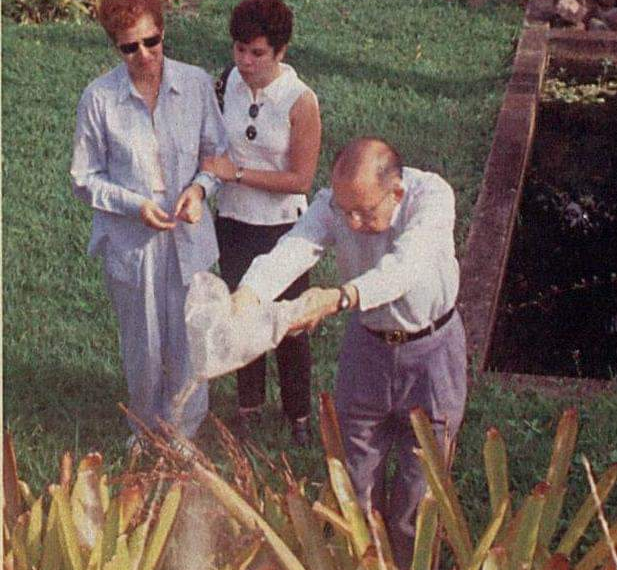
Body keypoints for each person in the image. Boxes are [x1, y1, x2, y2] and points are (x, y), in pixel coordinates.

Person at [233, 137, 467, 569]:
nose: (353, 223)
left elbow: (404, 269)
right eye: (345, 213)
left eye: (365, 212)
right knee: (355, 486)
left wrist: (339, 298)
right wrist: (247, 294)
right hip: (368, 348)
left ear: (396, 192)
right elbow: (294, 247)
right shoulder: (335, 203)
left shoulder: (432, 199)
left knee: (420, 497)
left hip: (432, 354)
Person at [70, 0, 227, 447]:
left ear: (163, 31)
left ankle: (183, 434)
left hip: (188, 235)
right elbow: (84, 177)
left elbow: (217, 154)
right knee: (143, 344)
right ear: (115, 47)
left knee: (188, 340)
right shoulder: (99, 98)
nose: (143, 54)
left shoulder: (196, 85)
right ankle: (144, 429)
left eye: (150, 41)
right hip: (132, 241)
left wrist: (200, 190)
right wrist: (134, 205)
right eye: (129, 47)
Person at [201, 0, 321, 446]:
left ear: (280, 51)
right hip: (233, 221)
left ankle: (298, 414)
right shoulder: (226, 83)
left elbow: (301, 180)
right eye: (239, 49)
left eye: (257, 53)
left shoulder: (300, 101)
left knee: (289, 324)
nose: (245, 61)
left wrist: (236, 173)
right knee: (242, 315)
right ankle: (248, 407)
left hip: (282, 227)